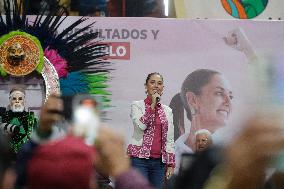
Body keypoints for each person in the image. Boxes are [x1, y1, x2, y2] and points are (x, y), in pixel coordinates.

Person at [15, 94, 154, 189]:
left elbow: (17, 177)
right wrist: (122, 171)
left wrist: (41, 132)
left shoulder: (43, 156)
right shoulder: (59, 147)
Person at [171, 69, 233, 172]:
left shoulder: (233, 153)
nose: (228, 102)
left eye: (231, 96)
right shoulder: (167, 158)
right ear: (192, 100)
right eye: (219, 93)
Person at [127, 72, 175, 189]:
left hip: (159, 162)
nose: (156, 86)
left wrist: (171, 164)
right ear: (146, 86)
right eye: (152, 82)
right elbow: (141, 126)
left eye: (159, 83)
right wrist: (152, 106)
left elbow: (170, 138)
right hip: (139, 160)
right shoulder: (137, 105)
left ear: (162, 88)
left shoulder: (167, 110)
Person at [0, 87, 37, 155]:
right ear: (10, 100)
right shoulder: (2, 117)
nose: (17, 101)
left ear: (24, 100)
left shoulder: (32, 119)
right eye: (14, 99)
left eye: (20, 99)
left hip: (25, 158)